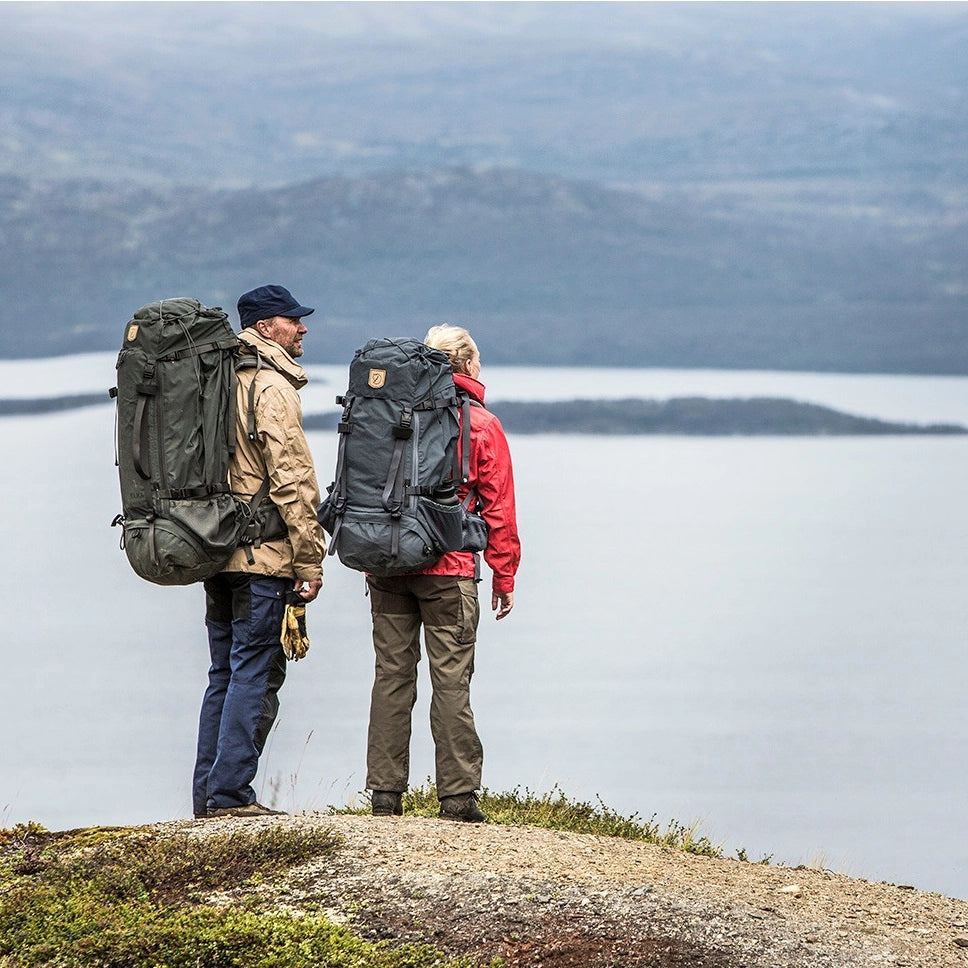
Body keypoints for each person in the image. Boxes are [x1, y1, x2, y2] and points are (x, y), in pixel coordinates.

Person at [366, 324, 521, 823]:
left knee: (392, 676)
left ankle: (385, 795)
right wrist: (504, 575)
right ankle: (457, 798)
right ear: (470, 365)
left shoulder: (393, 413)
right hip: (449, 569)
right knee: (451, 680)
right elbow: (499, 510)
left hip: (388, 563)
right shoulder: (481, 424)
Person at [193, 284, 326, 819]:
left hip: (215, 551)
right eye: (293, 320)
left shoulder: (216, 378)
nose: (303, 329)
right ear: (266, 327)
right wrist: (310, 558)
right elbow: (291, 478)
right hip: (262, 559)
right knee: (254, 669)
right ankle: (230, 797)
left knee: (222, 673)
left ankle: (208, 796)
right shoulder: (270, 386)